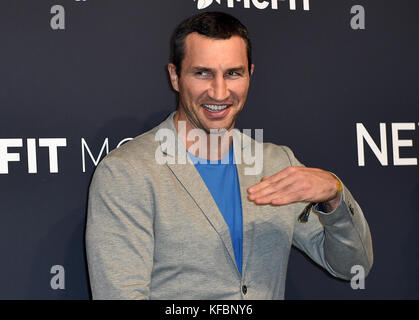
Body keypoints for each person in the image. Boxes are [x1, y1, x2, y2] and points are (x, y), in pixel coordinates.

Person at [85, 11, 373, 300]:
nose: (219, 92)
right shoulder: (127, 172)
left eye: (233, 73)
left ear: (250, 74)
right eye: (203, 73)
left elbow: (351, 266)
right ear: (175, 76)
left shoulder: (276, 163)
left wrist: (335, 197)